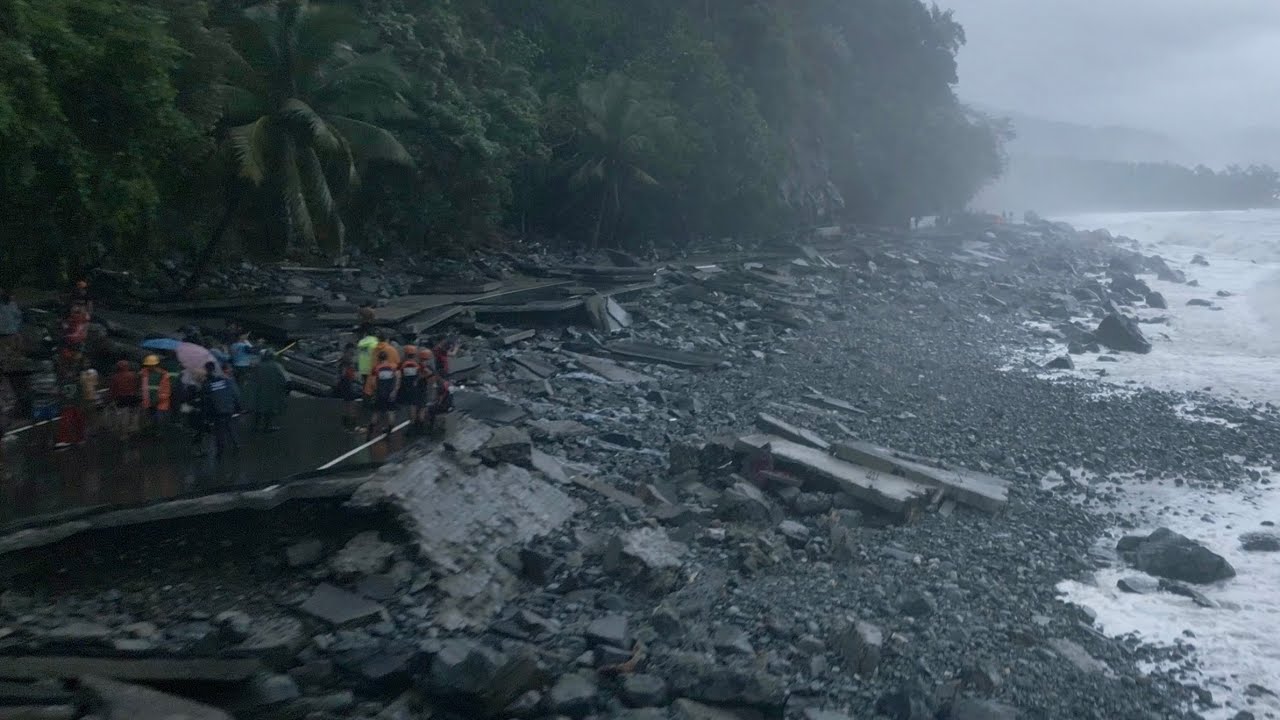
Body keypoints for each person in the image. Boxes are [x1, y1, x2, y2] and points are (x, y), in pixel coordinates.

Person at [200, 361, 241, 458]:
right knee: (229, 425)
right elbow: (234, 393)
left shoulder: (207, 383)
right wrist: (237, 407)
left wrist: (206, 414)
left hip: (217, 410)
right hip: (228, 407)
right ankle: (236, 444)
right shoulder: (225, 380)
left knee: (219, 430)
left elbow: (205, 398)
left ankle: (220, 451)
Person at [246, 349, 288, 432]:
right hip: (272, 391)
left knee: (258, 409)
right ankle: (268, 426)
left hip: (259, 391)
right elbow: (283, 379)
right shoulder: (277, 366)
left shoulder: (258, 366)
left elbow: (252, 379)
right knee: (270, 409)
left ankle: (257, 426)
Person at [363, 350, 399, 440]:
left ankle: (369, 433)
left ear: (379, 358)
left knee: (376, 412)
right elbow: (398, 378)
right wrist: (395, 390)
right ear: (387, 357)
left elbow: (373, 381)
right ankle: (389, 433)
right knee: (391, 412)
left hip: (380, 393)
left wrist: (375, 390)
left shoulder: (376, 368)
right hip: (390, 393)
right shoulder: (393, 367)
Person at [54, 354, 87, 449]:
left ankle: (76, 438)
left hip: (71, 402)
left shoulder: (64, 378)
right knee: (71, 420)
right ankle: (74, 438)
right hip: (71, 402)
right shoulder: (67, 377)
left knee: (74, 420)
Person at [107, 360, 140, 436]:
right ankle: (134, 428)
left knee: (124, 415)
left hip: (121, 398)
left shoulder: (115, 377)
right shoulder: (133, 375)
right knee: (134, 413)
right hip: (132, 396)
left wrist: (111, 398)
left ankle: (124, 434)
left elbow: (112, 389)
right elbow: (137, 386)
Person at [139, 354, 172, 429]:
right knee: (150, 422)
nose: (150, 367)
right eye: (148, 365)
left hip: (159, 403)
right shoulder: (144, 374)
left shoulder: (163, 375)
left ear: (156, 365)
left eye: (151, 365)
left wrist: (157, 400)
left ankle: (158, 434)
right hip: (149, 402)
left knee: (158, 422)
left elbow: (166, 391)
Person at [399, 346, 425, 434]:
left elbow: (400, 374)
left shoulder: (403, 364)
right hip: (416, 388)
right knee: (417, 405)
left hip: (406, 387)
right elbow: (422, 374)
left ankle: (412, 424)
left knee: (411, 407)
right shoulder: (417, 364)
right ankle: (419, 424)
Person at [336, 343, 361, 431]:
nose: (353, 354)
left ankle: (345, 425)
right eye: (352, 352)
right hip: (346, 383)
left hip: (344, 383)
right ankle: (353, 426)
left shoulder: (343, 359)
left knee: (346, 404)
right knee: (351, 405)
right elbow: (344, 372)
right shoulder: (347, 360)